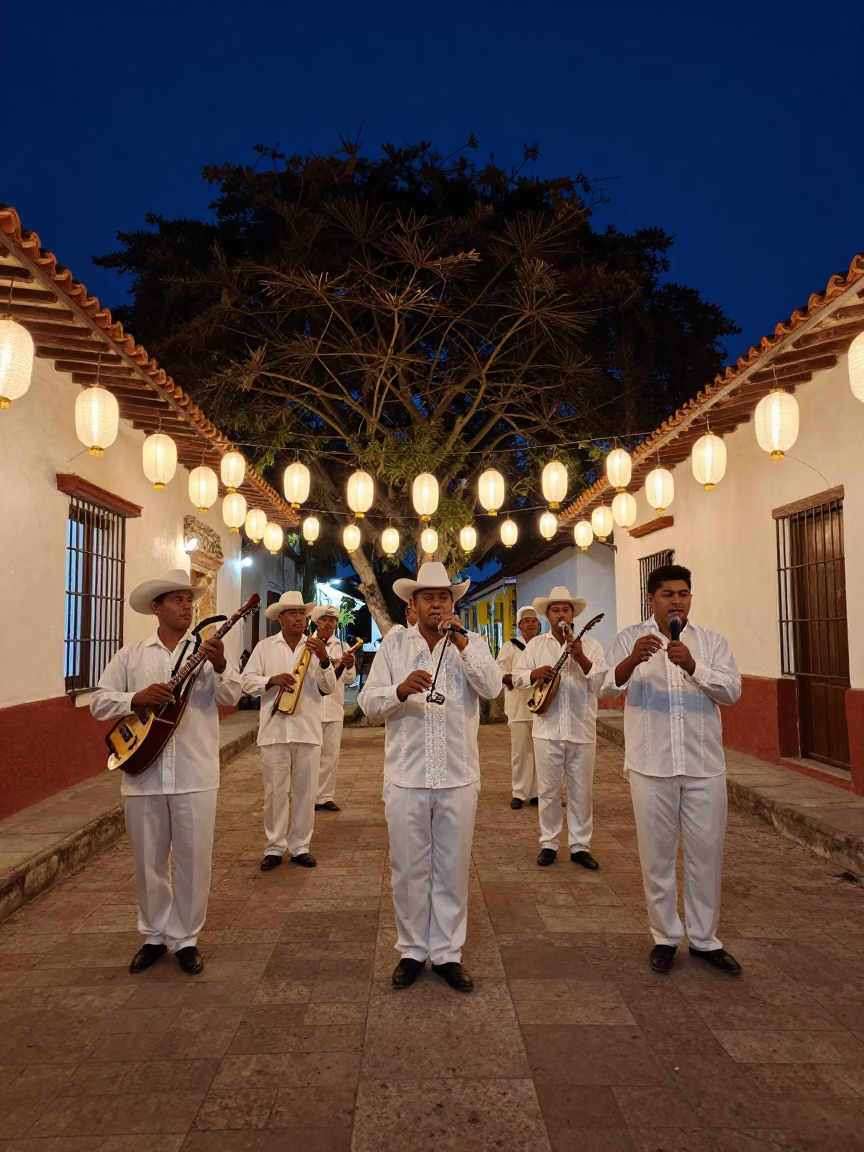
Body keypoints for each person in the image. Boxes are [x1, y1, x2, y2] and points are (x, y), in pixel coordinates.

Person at [358, 562, 502, 993]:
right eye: (428, 597)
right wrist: (398, 691)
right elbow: (367, 702)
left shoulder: (470, 643)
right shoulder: (394, 647)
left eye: (444, 597)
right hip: (406, 775)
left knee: (453, 868)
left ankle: (447, 953)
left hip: (458, 775)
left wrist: (461, 643)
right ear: (413, 605)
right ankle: (411, 950)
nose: (437, 603)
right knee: (408, 868)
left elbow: (493, 689)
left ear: (453, 603)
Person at [90, 569, 242, 976]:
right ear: (156, 608)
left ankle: (186, 938)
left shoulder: (206, 653)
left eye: (189, 600)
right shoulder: (132, 654)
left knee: (194, 860)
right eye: (177, 600)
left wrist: (224, 664)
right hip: (143, 774)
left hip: (195, 771)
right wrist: (134, 697)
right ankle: (155, 934)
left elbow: (233, 696)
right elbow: (99, 703)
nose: (186, 606)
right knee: (148, 860)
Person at [593, 564, 742, 976]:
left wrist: (695, 666)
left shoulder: (710, 642)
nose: (676, 600)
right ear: (651, 599)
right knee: (656, 858)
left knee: (705, 856)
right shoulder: (630, 638)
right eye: (667, 594)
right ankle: (664, 937)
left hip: (703, 765)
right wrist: (630, 662)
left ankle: (706, 940)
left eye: (683, 594)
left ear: (690, 598)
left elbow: (731, 691)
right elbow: (602, 687)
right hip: (650, 764)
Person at [240, 591, 336, 871]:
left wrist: (326, 660)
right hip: (274, 732)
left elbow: (328, 688)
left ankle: (300, 847)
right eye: (291, 613)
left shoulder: (316, 648)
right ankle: (274, 846)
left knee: (306, 793)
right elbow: (246, 681)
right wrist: (271, 680)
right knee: (274, 792)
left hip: (307, 729)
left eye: (301, 613)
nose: (298, 617)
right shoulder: (265, 648)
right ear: (280, 618)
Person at [513, 586, 604, 870]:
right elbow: (516, 678)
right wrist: (534, 674)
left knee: (581, 791)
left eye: (566, 609)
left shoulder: (591, 645)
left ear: (573, 614)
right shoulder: (536, 645)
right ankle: (549, 842)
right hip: (546, 729)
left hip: (581, 728)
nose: (561, 614)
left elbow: (602, 683)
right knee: (549, 791)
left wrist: (580, 656)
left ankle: (579, 846)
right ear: (548, 615)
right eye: (556, 610)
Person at [310, 605, 357, 813]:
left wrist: (348, 664)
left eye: (333, 620)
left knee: (330, 755)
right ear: (316, 622)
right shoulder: (307, 644)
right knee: (309, 756)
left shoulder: (343, 645)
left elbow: (350, 679)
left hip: (334, 707)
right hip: (310, 708)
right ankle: (308, 796)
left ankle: (325, 796)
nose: (329, 623)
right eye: (324, 619)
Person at [496, 606, 542, 809]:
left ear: (539, 624)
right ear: (519, 625)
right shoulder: (509, 646)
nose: (530, 623)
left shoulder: (543, 646)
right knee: (521, 752)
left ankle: (537, 792)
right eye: (526, 621)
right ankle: (519, 793)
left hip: (542, 705)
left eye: (534, 620)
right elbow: (498, 669)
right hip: (518, 706)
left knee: (542, 751)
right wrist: (510, 679)